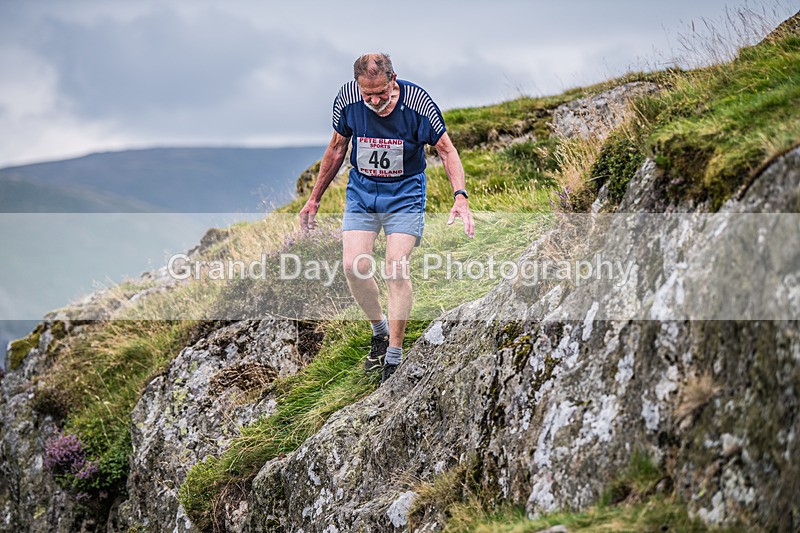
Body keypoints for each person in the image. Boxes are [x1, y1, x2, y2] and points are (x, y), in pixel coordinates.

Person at [300, 53, 474, 383]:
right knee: (354, 267)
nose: (376, 101)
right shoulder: (348, 101)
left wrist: (460, 197)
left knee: (395, 267)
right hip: (363, 193)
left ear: (394, 79)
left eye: (381, 92)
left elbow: (447, 150)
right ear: (357, 87)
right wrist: (314, 198)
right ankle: (379, 330)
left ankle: (394, 355)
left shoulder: (418, 103)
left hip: (405, 193)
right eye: (368, 94)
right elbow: (337, 148)